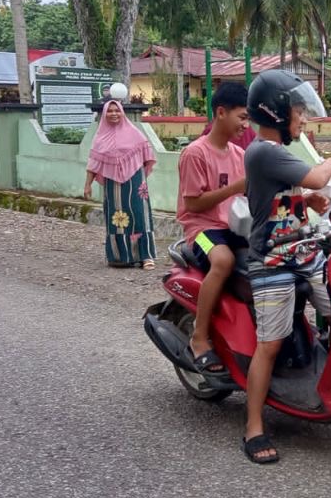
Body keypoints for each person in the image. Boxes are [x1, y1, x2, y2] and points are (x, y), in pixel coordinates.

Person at [240, 69, 331, 464]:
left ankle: (327, 380)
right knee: (269, 344)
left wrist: (306, 204)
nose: (303, 118)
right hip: (272, 260)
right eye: (298, 111)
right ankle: (253, 427)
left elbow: (272, 202)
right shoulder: (264, 150)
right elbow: (317, 175)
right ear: (277, 112)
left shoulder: (274, 153)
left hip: (302, 250)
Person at [176, 82, 250, 376]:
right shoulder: (196, 153)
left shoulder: (239, 155)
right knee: (223, 261)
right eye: (242, 117)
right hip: (202, 231)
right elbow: (193, 205)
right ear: (221, 112)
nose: (246, 124)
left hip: (235, 227)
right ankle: (199, 336)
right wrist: (234, 188)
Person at [84, 100, 158, 270]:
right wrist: (87, 185)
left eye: (116, 110)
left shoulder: (134, 132)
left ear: (122, 112)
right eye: (109, 111)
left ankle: (146, 256)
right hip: (112, 184)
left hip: (135, 181)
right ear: (104, 114)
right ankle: (120, 256)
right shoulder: (100, 138)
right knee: (117, 218)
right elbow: (93, 164)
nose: (113, 114)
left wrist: (139, 172)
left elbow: (148, 156)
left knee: (140, 215)